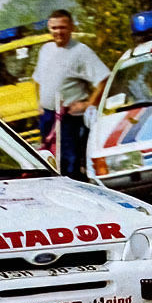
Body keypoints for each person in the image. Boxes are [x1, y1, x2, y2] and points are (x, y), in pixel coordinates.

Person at [32, 9, 107, 179]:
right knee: (52, 161)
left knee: (71, 163)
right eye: (54, 28)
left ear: (72, 27)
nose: (58, 32)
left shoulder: (81, 51)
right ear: (49, 28)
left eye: (63, 27)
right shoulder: (45, 50)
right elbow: (37, 80)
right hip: (48, 117)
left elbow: (104, 79)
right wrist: (40, 105)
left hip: (70, 119)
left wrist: (88, 104)